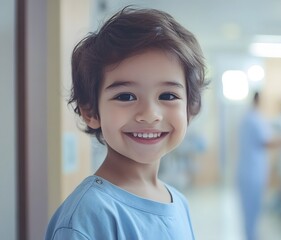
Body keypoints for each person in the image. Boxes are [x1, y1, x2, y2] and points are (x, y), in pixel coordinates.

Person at [45, 7, 208, 240]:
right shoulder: (86, 217)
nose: (150, 115)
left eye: (168, 96)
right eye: (126, 96)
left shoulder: (179, 202)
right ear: (91, 111)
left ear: (189, 108)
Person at [236, 92, 281, 240]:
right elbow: (266, 141)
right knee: (253, 208)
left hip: (247, 170)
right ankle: (251, 236)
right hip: (253, 172)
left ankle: (251, 235)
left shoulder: (247, 118)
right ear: (259, 100)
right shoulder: (255, 119)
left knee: (249, 209)